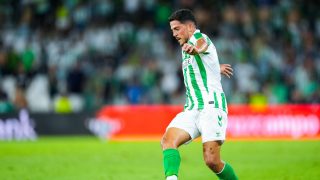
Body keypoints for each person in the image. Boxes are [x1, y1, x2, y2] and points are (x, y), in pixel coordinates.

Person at [161, 9, 238, 180]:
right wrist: (216, 67)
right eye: (172, 30)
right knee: (168, 141)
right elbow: (202, 67)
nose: (173, 34)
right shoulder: (184, 46)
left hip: (211, 107)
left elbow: (202, 45)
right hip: (192, 109)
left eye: (176, 29)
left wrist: (195, 49)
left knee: (212, 161)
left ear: (189, 27)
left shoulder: (197, 38)